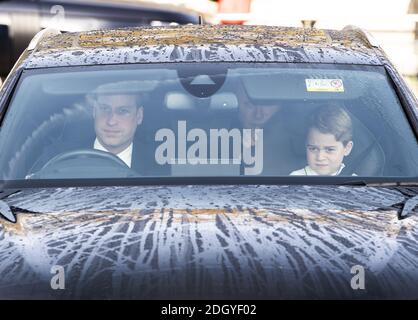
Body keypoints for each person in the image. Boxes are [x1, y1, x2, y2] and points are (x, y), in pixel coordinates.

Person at [290, 104, 355, 176]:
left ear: (347, 148)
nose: (320, 157)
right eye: (313, 148)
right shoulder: (296, 178)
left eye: (330, 149)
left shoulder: (355, 181)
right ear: (306, 145)